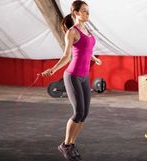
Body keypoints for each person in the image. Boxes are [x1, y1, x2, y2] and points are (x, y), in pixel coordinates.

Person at [42, 1, 101, 160]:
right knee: (78, 113)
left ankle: (71, 144)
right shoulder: (72, 32)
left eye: (88, 11)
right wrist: (53, 69)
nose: (87, 14)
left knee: (85, 113)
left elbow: (86, 49)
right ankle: (66, 145)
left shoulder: (87, 29)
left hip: (84, 76)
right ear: (75, 13)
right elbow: (67, 56)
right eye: (84, 11)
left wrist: (94, 57)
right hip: (73, 75)